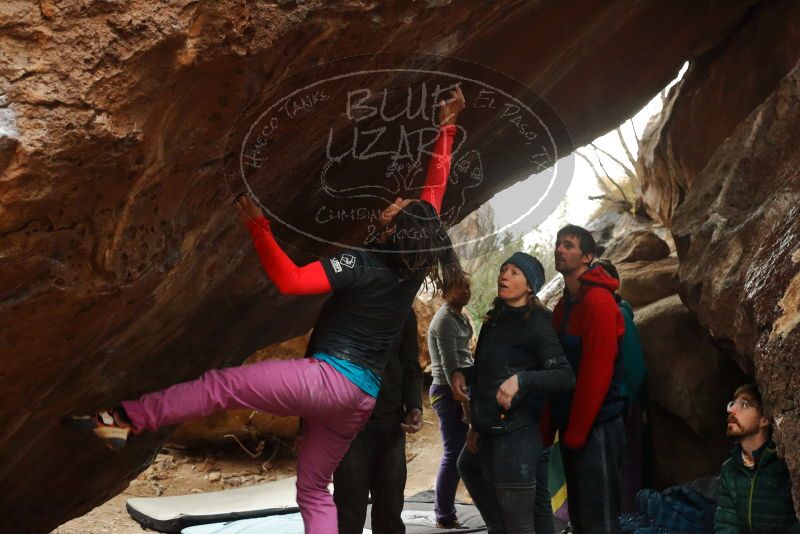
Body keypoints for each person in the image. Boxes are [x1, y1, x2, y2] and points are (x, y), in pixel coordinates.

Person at [69, 87, 467, 534]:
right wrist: (445, 127)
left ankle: (123, 420)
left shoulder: (361, 262)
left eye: (398, 206)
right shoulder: (410, 265)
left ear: (396, 229)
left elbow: (291, 280)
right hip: (359, 400)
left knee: (221, 386)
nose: (393, 201)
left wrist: (259, 228)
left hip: (328, 382)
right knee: (314, 490)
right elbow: (433, 195)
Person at [451, 252, 575, 534]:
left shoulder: (538, 324)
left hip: (517, 434)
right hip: (489, 429)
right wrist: (461, 374)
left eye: (514, 272)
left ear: (530, 285)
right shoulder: (495, 319)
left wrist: (521, 380)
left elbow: (564, 376)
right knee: (468, 468)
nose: (503, 275)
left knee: (519, 526)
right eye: (503, 269)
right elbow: (485, 370)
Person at [544, 225, 626, 534]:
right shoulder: (563, 306)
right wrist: (551, 427)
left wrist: (576, 433)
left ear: (588, 256)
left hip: (599, 427)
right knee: (579, 515)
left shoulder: (599, 303)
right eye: (558, 243)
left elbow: (597, 374)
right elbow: (556, 372)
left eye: (569, 245)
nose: (559, 249)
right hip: (573, 427)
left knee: (600, 518)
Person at [333, 309, 423, 534]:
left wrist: (414, 406)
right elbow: (319, 360)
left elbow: (411, 363)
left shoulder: (403, 311)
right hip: (349, 424)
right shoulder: (343, 304)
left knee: (390, 512)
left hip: (391, 423)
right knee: (349, 512)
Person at [593, 258, 647, 513]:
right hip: (610, 403)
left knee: (626, 465)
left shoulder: (618, 312)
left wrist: (628, 396)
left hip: (620, 402)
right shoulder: (598, 312)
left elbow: (634, 365)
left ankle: (625, 519)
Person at [714, 383, 800, 533]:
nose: (731, 410)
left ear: (764, 420)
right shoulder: (730, 468)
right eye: (733, 403)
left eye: (745, 405)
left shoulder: (784, 463)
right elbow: (726, 525)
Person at [427, 274, 473, 528]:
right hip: (448, 390)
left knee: (469, 448)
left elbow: (465, 356)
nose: (465, 290)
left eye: (467, 286)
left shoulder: (460, 315)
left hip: (463, 386)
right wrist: (462, 400)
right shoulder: (444, 320)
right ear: (445, 292)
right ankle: (444, 515)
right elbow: (450, 364)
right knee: (454, 452)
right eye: (459, 286)